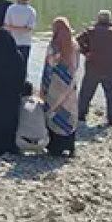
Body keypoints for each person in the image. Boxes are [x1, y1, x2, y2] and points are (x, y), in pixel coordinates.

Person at [76, 10, 112, 126]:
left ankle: (80, 116)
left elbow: (75, 42)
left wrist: (86, 52)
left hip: (93, 68)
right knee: (111, 96)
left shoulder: (91, 32)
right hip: (111, 70)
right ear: (110, 20)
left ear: (98, 19)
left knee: (86, 94)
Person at [42, 17, 81, 157]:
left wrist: (44, 88)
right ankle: (69, 145)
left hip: (55, 85)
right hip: (70, 86)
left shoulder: (54, 46)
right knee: (69, 114)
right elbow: (77, 66)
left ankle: (55, 146)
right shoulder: (75, 45)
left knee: (53, 112)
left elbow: (48, 68)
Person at [3, 0, 37, 71]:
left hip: (12, 41)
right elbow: (29, 28)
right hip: (26, 42)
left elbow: (6, 25)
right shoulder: (31, 11)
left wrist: (13, 28)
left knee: (11, 65)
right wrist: (22, 29)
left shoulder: (11, 8)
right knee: (23, 65)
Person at [17, 82, 49, 153]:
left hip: (22, 143)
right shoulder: (40, 103)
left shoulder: (19, 103)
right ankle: (38, 147)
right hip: (43, 143)